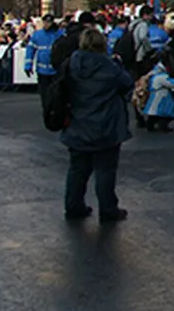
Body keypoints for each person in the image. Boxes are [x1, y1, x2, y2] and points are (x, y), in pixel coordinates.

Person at [60, 28, 133, 222]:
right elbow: (126, 83)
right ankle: (108, 208)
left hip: (77, 121)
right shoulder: (110, 66)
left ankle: (73, 205)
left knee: (77, 169)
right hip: (106, 123)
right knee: (105, 169)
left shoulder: (71, 63)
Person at [25, 13, 63, 104]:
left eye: (49, 22)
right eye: (45, 22)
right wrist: (28, 65)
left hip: (56, 71)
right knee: (44, 95)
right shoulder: (37, 35)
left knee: (56, 95)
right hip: (42, 71)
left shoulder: (60, 34)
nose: (47, 24)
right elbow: (30, 50)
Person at [141, 61, 174, 132]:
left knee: (153, 113)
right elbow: (173, 84)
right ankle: (163, 125)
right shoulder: (163, 77)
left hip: (153, 97)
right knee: (167, 111)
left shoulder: (152, 74)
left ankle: (150, 125)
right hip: (162, 98)